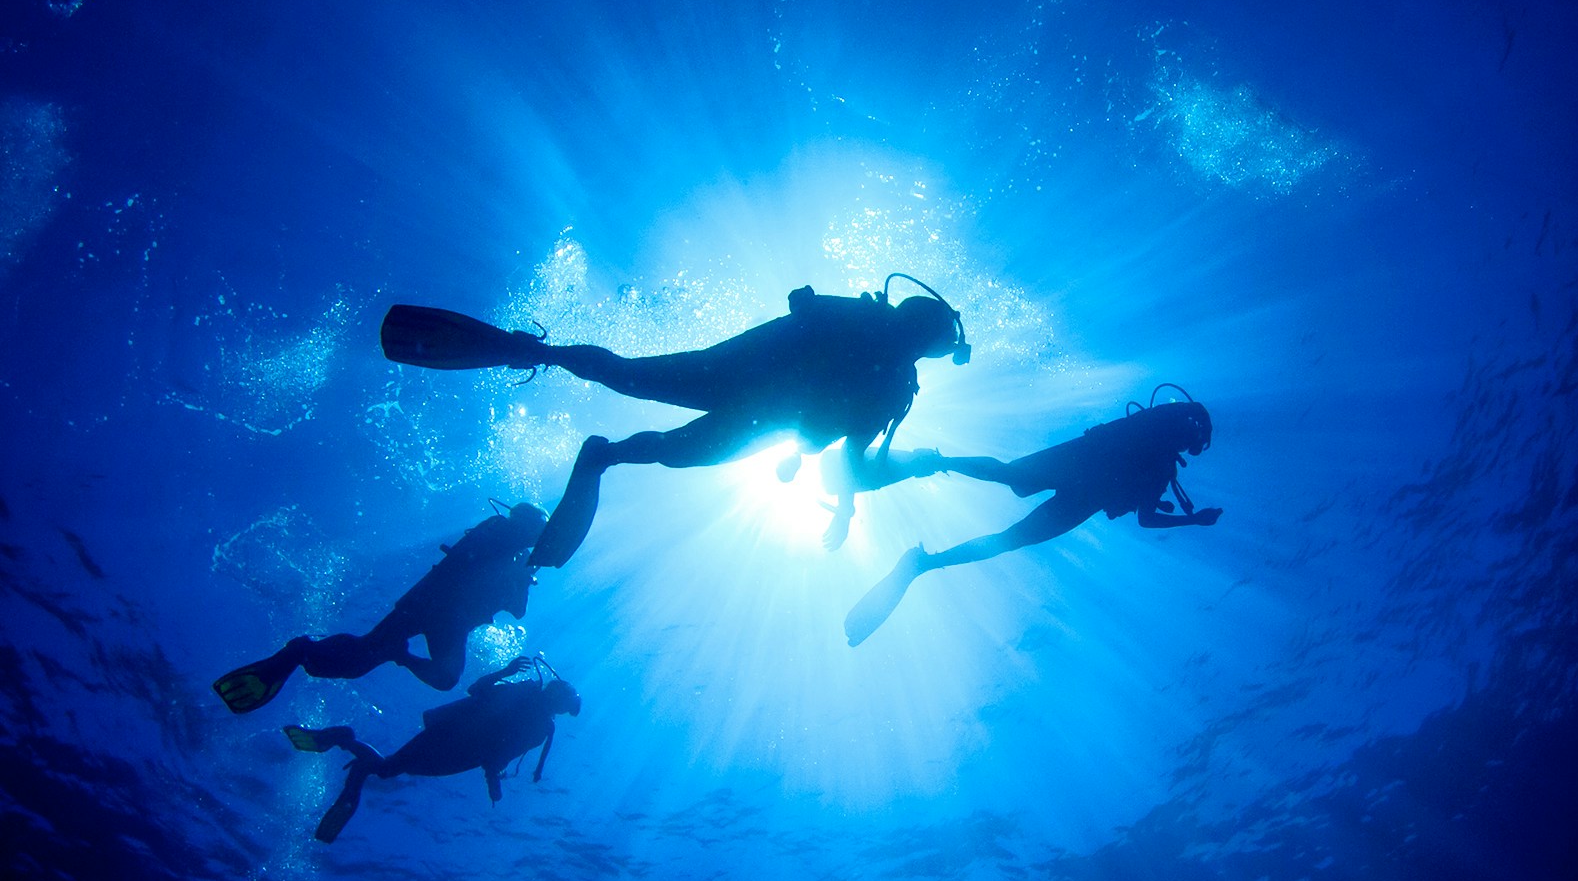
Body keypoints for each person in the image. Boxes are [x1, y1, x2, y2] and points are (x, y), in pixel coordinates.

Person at [380, 274, 971, 566]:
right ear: (934, 343)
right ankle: (544, 359)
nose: (920, 342)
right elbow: (850, 454)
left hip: (757, 405)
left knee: (665, 430)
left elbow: (847, 450)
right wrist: (843, 508)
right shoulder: (884, 362)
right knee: (641, 388)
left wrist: (843, 506)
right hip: (751, 391)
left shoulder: (891, 376)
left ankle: (594, 440)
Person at [843, 391, 1223, 645]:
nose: (1191, 448)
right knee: (1011, 531)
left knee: (1010, 481)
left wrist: (1192, 519)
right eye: (1195, 443)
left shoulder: (1154, 450)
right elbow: (1147, 520)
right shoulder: (1160, 462)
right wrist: (1194, 520)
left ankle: (934, 465)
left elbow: (1144, 518)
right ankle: (924, 562)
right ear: (1191, 435)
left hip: (1078, 463)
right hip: (1086, 487)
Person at [212, 503, 547, 713]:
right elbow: (502, 592)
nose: (539, 540)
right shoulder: (501, 539)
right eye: (539, 533)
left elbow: (516, 609)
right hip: (431, 605)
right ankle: (301, 650)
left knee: (440, 677)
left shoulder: (515, 555)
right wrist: (523, 572)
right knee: (362, 660)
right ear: (530, 526)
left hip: (447, 618)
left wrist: (526, 574)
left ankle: (377, 654)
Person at [283, 655, 581, 842]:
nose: (557, 706)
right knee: (387, 769)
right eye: (562, 703)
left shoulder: (532, 714)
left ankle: (350, 751)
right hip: (452, 746)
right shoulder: (533, 716)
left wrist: (505, 672)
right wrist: (493, 783)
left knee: (387, 769)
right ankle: (345, 742)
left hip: (451, 742)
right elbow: (496, 750)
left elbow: (479, 702)